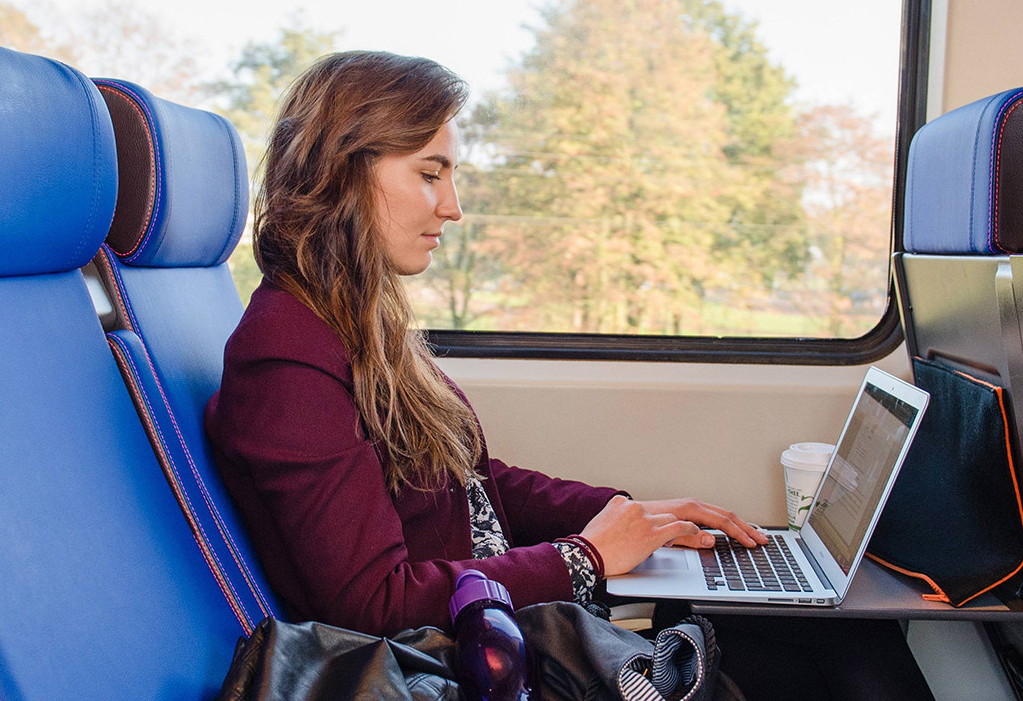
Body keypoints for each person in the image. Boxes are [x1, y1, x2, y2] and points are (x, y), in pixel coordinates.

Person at [206, 51, 934, 700]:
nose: (451, 207)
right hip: (469, 660)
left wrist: (633, 515)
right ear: (343, 170)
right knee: (842, 665)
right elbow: (374, 604)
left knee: (846, 641)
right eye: (430, 174)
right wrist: (585, 557)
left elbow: (478, 486)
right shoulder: (285, 355)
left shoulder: (359, 323)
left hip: (507, 621)